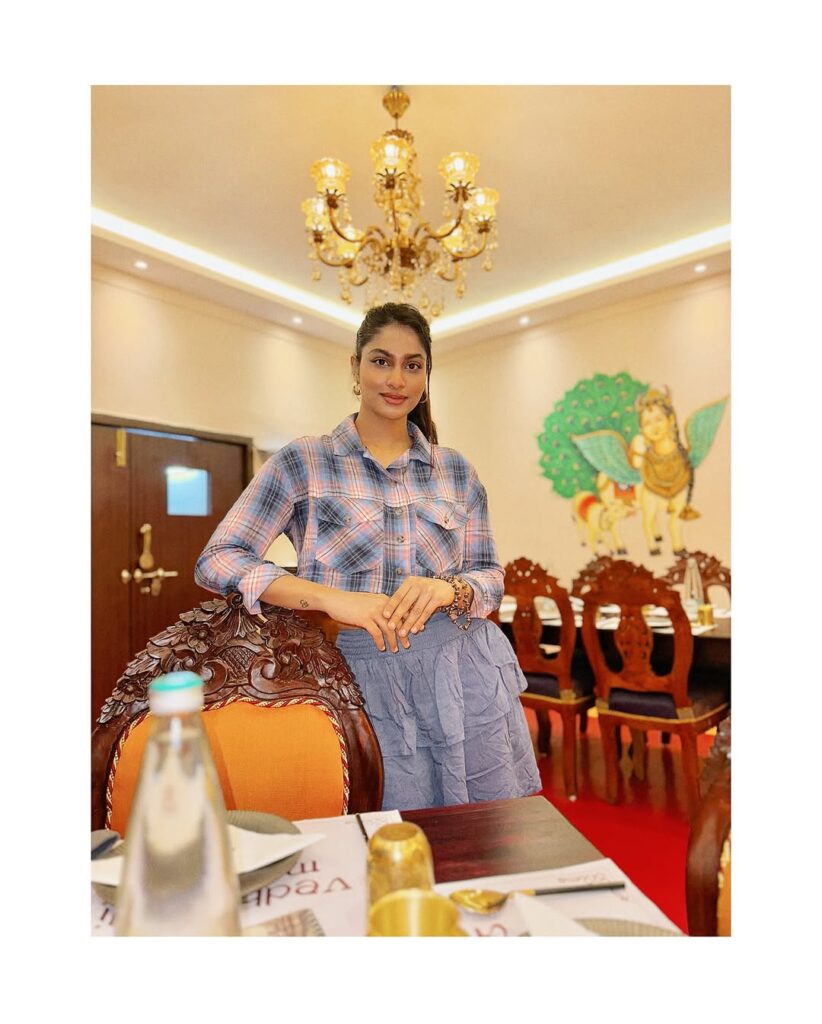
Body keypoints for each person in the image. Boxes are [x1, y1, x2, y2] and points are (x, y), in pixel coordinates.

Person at [195, 302, 541, 810]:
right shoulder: (305, 461)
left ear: (426, 376)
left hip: (462, 671)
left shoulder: (454, 470)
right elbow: (219, 559)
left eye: (412, 365)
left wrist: (449, 589)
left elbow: (489, 576)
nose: (396, 379)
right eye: (381, 361)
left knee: (481, 828)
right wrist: (328, 598)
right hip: (353, 677)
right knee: (375, 832)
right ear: (355, 368)